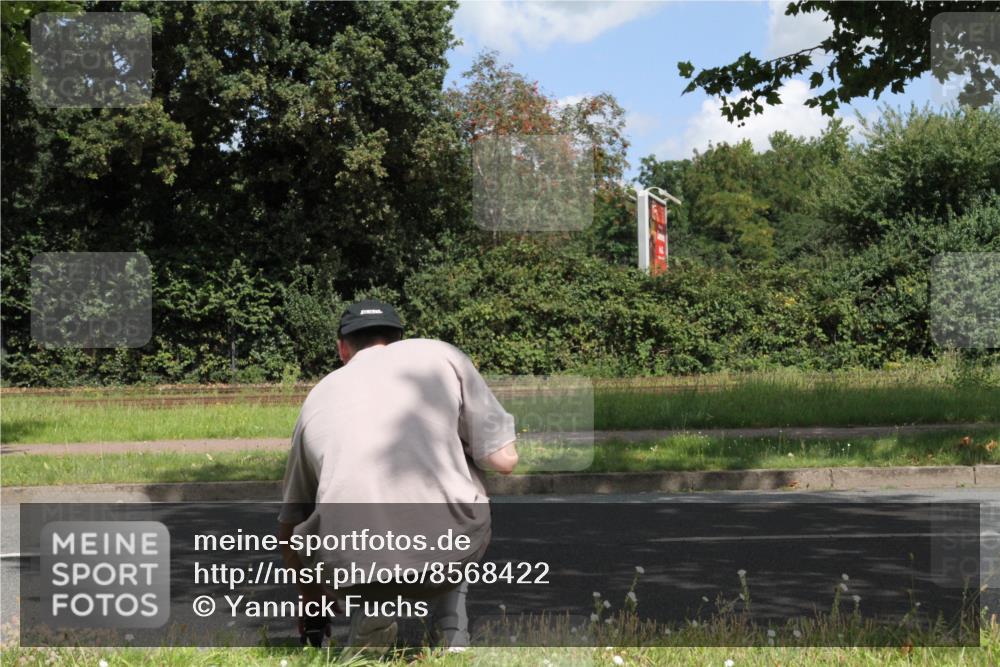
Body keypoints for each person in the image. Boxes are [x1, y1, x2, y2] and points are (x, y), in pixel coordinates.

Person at [277, 298, 518, 650]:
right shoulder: (440, 356)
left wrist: (312, 605)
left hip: (353, 561)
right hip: (447, 550)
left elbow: (289, 522)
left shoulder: (317, 397)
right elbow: (504, 460)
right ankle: (451, 626)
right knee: (464, 457)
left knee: (324, 509)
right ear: (399, 339)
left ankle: (371, 604)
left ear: (342, 348)